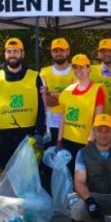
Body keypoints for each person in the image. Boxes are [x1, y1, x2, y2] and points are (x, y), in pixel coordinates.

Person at [0, 38, 45, 170]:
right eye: (9, 51)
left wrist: (40, 132)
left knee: (28, 173)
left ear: (22, 54)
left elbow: (42, 107)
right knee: (4, 172)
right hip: (3, 135)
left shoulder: (35, 76)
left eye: (16, 51)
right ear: (5, 54)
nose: (12, 54)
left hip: (28, 133)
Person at [56, 54, 106, 177]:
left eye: (82, 67)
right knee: (67, 176)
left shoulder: (96, 90)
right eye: (75, 67)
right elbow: (63, 117)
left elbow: (98, 119)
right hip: (67, 141)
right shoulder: (68, 90)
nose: (78, 71)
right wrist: (59, 140)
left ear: (89, 68)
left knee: (83, 176)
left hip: (85, 143)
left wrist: (91, 141)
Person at [40, 38, 75, 192]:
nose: (59, 53)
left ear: (68, 51)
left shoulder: (76, 71)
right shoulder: (45, 72)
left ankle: (69, 198)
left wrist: (53, 94)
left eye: (62, 50)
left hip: (71, 124)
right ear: (52, 52)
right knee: (48, 163)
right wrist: (64, 96)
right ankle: (49, 197)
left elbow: (76, 98)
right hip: (51, 125)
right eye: (56, 50)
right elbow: (45, 100)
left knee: (69, 162)